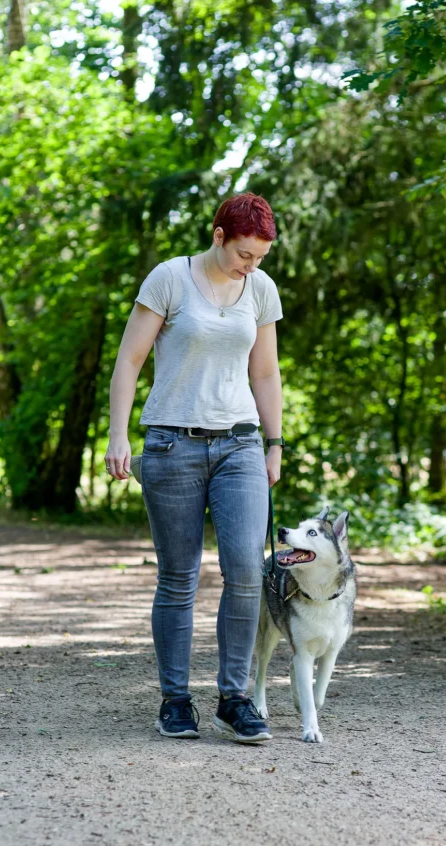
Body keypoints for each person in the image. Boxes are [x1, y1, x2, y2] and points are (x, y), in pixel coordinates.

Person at [105, 192, 285, 744]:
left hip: (240, 446)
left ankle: (235, 699)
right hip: (170, 446)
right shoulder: (169, 279)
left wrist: (275, 444)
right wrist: (118, 434)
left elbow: (265, 373)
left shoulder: (261, 289)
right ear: (218, 235)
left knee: (247, 571)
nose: (250, 265)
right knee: (179, 577)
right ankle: (175, 700)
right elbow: (130, 359)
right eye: (244, 254)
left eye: (260, 257)